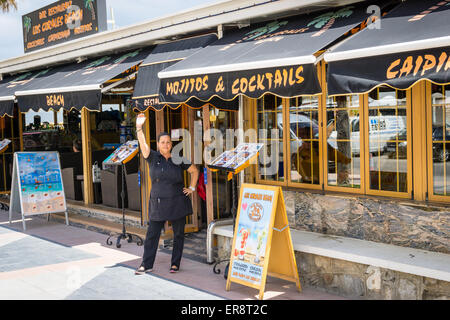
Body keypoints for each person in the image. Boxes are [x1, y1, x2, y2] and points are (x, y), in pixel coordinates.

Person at [134, 113, 199, 274]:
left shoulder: (178, 158)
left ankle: (175, 263)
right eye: (163, 142)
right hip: (157, 201)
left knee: (178, 235)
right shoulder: (152, 157)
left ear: (171, 144)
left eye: (168, 142)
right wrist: (139, 128)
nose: (166, 144)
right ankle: (146, 264)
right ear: (158, 144)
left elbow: (194, 171)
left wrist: (191, 188)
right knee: (152, 235)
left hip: (177, 201)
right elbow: (142, 144)